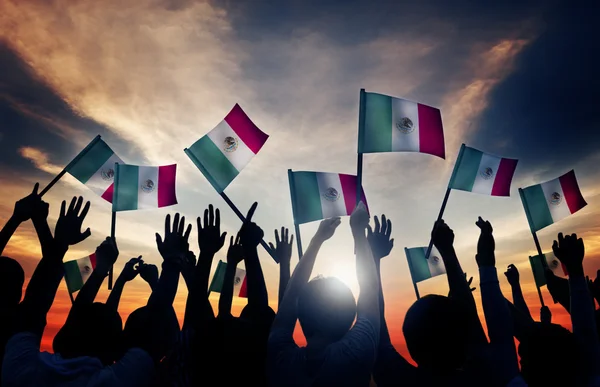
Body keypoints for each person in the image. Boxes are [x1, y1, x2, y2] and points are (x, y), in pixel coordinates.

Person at [267, 202, 380, 387]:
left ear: (300, 315)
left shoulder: (280, 357)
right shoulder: (358, 353)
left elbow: (290, 296)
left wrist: (317, 240)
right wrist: (359, 233)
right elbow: (370, 288)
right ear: (351, 317)